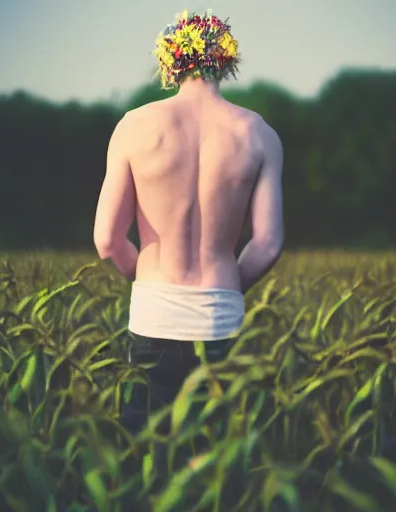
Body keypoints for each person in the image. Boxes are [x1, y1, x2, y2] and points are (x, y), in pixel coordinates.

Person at [93, 10, 284, 438]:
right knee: (217, 462)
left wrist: (142, 278)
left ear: (169, 61)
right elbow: (268, 243)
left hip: (153, 314)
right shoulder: (259, 134)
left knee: (147, 455)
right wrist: (229, 285)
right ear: (226, 59)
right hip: (221, 316)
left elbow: (107, 239)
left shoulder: (133, 127)